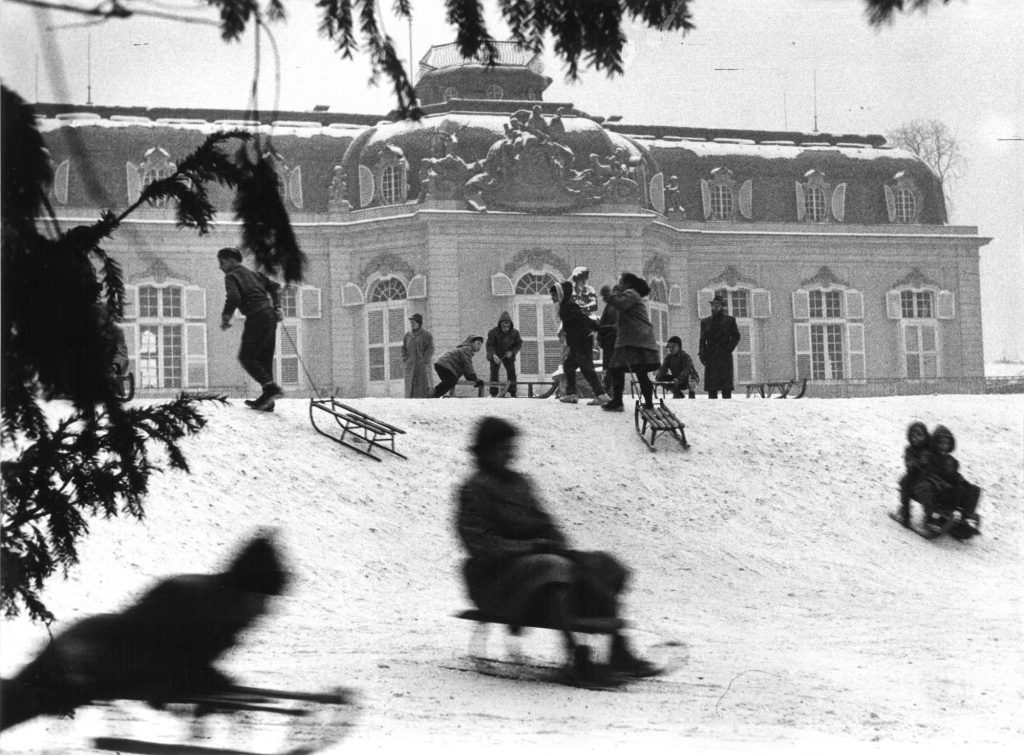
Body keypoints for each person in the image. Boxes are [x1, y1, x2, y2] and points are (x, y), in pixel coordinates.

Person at [1, 534, 288, 730]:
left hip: (98, 660)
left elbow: (181, 665)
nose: (265, 609)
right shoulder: (191, 598)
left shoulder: (225, 614)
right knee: (17, 703)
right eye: (262, 599)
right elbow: (154, 655)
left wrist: (205, 685)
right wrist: (200, 685)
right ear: (245, 590)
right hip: (81, 655)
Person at [455, 417, 662, 682]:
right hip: (495, 578)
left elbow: (545, 523)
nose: (510, 453)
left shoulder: (520, 484)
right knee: (553, 567)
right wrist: (531, 548)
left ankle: (617, 649)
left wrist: (559, 545)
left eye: (511, 447)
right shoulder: (473, 490)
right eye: (503, 448)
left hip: (535, 566)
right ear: (486, 450)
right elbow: (481, 544)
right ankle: (576, 656)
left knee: (602, 564)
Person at [217, 247, 284, 412]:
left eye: (222, 262)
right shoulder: (255, 275)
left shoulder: (231, 276)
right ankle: (268, 401)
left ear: (232, 261)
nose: (220, 267)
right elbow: (275, 287)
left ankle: (271, 389)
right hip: (270, 316)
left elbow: (234, 297)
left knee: (246, 356)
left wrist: (226, 317)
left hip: (256, 316)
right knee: (264, 359)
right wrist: (277, 307)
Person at [601, 273, 661, 412]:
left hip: (635, 341)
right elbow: (624, 322)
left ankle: (617, 401)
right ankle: (648, 404)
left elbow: (620, 304)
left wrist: (608, 295)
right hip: (639, 340)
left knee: (617, 369)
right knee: (640, 372)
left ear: (627, 284)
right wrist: (605, 328)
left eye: (621, 282)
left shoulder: (631, 293)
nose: (620, 285)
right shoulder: (633, 296)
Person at [550, 282, 611, 406]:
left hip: (582, 340)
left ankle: (601, 395)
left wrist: (598, 327)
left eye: (554, 295)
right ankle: (572, 394)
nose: (552, 298)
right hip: (577, 341)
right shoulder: (565, 306)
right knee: (568, 365)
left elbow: (583, 319)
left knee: (586, 367)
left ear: (560, 294)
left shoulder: (568, 306)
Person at [927, 425, 982, 538]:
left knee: (974, 489)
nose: (943, 446)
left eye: (946, 444)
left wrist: (964, 483)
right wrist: (944, 484)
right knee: (953, 489)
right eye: (940, 443)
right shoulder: (931, 458)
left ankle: (968, 518)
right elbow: (930, 474)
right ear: (935, 443)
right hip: (941, 490)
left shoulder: (951, 460)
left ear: (950, 445)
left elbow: (956, 475)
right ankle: (944, 518)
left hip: (953, 489)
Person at [698, 293, 741, 399]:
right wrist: (702, 354)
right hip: (711, 356)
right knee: (712, 387)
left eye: (718, 305)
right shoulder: (705, 322)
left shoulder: (730, 321)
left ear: (722, 306)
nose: (715, 307)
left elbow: (736, 336)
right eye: (713, 305)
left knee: (726, 387)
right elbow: (702, 340)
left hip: (724, 356)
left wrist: (729, 348)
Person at [896, 421, 933, 525]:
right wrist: (916, 463)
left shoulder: (929, 449)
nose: (915, 438)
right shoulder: (910, 450)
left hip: (929, 478)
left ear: (925, 436)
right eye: (912, 435)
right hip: (914, 477)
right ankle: (905, 513)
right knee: (905, 485)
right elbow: (909, 464)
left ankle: (931, 516)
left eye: (919, 435)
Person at [485, 311, 523, 397]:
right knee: (494, 373)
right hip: (495, 354)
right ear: (500, 325)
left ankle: (512, 392)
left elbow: (518, 343)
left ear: (510, 325)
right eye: (504, 326)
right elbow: (489, 345)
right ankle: (493, 393)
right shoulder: (493, 332)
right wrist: (493, 355)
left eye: (508, 326)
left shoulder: (515, 333)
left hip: (507, 354)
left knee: (511, 372)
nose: (506, 329)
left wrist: (512, 352)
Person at [402, 313, 435, 398]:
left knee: (422, 387)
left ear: (419, 323)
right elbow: (403, 348)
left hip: (422, 366)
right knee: (410, 386)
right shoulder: (407, 335)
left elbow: (430, 348)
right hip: (410, 365)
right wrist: (405, 358)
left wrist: (425, 359)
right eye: (411, 323)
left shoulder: (426, 335)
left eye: (414, 322)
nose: (412, 324)